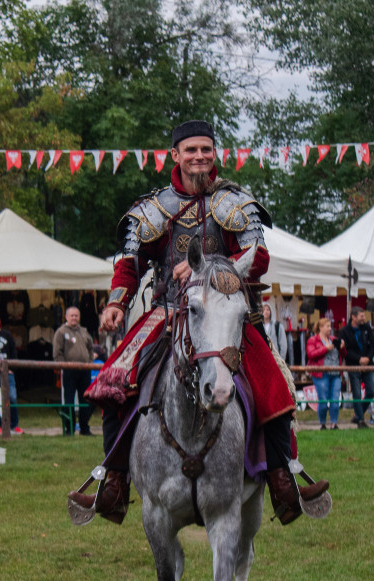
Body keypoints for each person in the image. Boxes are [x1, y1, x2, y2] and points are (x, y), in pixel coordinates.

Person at [69, 119, 328, 526]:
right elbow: (129, 264)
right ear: (175, 155)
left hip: (224, 312)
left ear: (215, 153)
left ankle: (283, 478)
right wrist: (117, 302)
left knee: (272, 383)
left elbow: (257, 257)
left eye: (206, 149)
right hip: (166, 312)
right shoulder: (153, 209)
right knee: (115, 382)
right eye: (191, 150)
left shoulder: (234, 203)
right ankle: (114, 482)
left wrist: (207, 267)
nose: (199, 157)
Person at [53, 306, 94, 436]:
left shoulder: (84, 331)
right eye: (72, 315)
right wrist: (64, 366)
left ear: (79, 317)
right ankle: (69, 429)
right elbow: (57, 353)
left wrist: (89, 362)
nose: (74, 318)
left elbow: (91, 348)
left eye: (76, 315)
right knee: (69, 400)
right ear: (66, 317)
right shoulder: (61, 332)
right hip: (70, 371)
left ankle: (84, 428)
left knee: (86, 400)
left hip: (85, 370)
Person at [338, 307, 374, 429]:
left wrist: (368, 358)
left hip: (368, 365)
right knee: (356, 393)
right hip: (353, 365)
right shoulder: (344, 331)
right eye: (361, 316)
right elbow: (345, 350)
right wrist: (358, 359)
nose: (364, 318)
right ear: (353, 317)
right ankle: (360, 420)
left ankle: (358, 413)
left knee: (371, 391)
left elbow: (373, 344)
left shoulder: (367, 328)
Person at [305, 317, 342, 430]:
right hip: (320, 374)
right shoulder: (313, 340)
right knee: (323, 399)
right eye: (327, 326)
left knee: (335, 399)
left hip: (335, 373)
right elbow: (311, 354)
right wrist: (326, 348)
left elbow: (342, 354)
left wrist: (342, 347)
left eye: (330, 326)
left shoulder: (334, 339)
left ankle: (334, 423)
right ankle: (322, 423)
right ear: (320, 327)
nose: (330, 328)